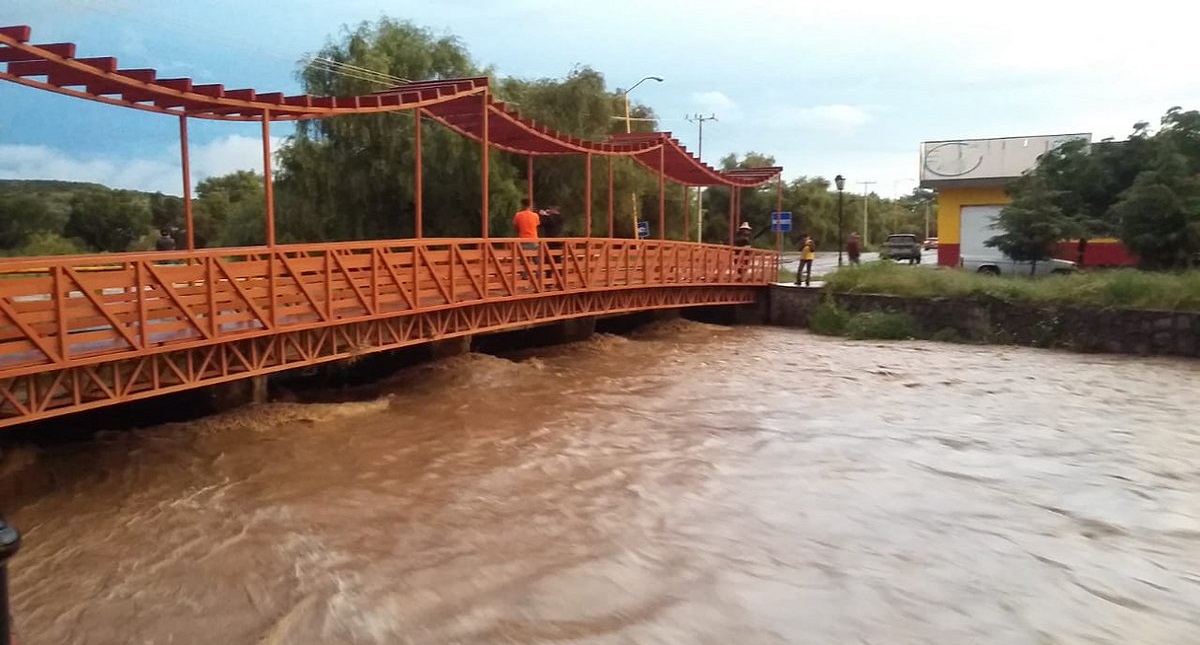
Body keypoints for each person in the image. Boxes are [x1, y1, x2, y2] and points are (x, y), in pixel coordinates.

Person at [513, 199, 541, 280]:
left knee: (524, 261)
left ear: (522, 205)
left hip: (523, 240)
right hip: (534, 240)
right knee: (536, 260)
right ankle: (538, 276)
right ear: (530, 205)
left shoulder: (518, 215)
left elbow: (516, 226)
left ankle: (524, 277)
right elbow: (537, 225)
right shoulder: (535, 215)